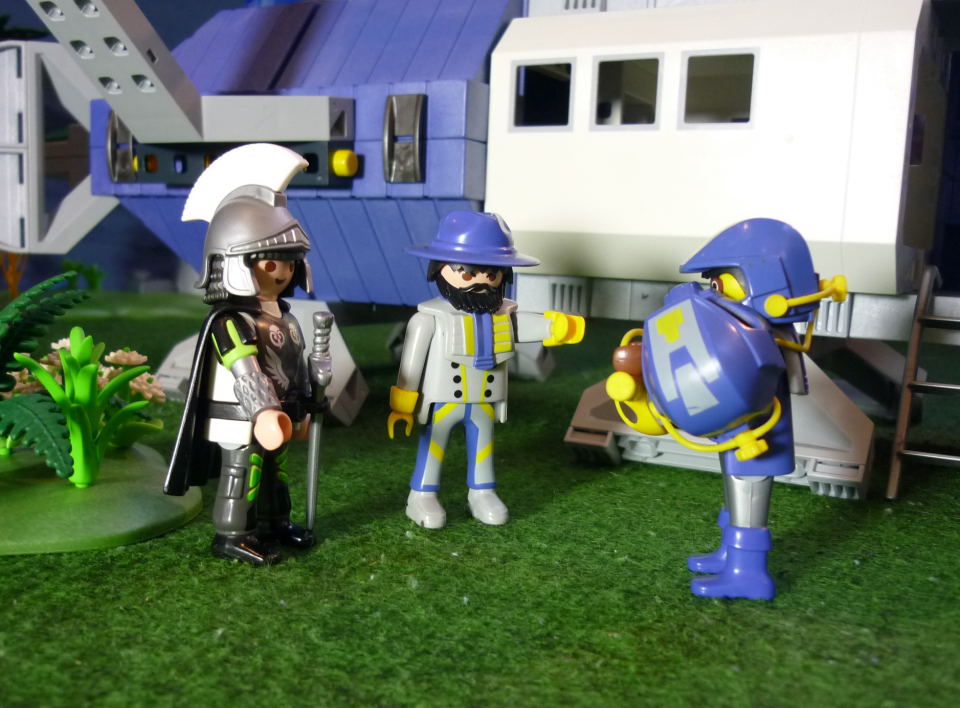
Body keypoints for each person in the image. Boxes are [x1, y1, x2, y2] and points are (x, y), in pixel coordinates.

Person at [165, 144, 317, 566]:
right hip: (244, 416)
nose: (284, 271)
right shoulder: (230, 322)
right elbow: (246, 370)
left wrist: (305, 400)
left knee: (275, 470)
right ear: (237, 262)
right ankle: (233, 535)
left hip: (279, 413)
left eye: (288, 261)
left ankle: (275, 523)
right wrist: (265, 412)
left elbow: (293, 363)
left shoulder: (284, 316)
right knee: (243, 471)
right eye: (271, 262)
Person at [388, 211, 585, 529]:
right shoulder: (428, 319)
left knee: (483, 447)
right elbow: (410, 366)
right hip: (442, 400)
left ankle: (482, 493)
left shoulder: (503, 316)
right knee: (433, 444)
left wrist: (557, 327)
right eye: (467, 272)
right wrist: (402, 405)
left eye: (491, 273)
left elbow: (526, 326)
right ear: (440, 269)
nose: (481, 280)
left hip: (484, 399)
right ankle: (421, 494)